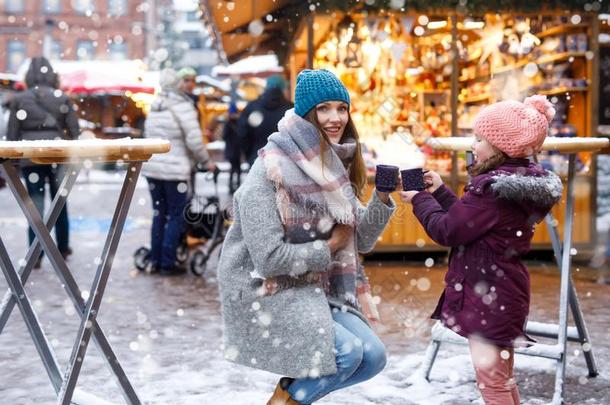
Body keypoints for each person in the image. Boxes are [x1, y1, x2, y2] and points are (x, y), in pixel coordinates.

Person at [218, 69, 397, 405]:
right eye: (324, 109)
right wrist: (329, 246)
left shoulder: (329, 164)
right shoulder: (270, 168)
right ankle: (288, 400)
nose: (336, 118)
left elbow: (361, 240)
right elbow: (268, 259)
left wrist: (383, 197)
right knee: (346, 352)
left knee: (372, 357)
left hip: (317, 283)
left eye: (342, 108)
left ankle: (291, 395)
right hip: (268, 287)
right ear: (306, 114)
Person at [400, 95, 563, 405]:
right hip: (502, 293)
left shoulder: (491, 191)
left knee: (493, 384)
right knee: (501, 379)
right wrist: (439, 192)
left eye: (480, 139)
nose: (474, 145)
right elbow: (469, 224)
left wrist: (420, 199)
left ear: (501, 148)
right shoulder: (507, 186)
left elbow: (448, 231)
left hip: (490, 298)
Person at [6, 57, 80, 268]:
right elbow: (74, 131)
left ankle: (35, 253)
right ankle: (63, 249)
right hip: (59, 155)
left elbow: (12, 134)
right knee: (60, 204)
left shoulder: (20, 99)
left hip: (31, 157)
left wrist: (15, 160)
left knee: (35, 207)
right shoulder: (62, 97)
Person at [141, 68, 215, 276]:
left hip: (154, 169)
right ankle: (168, 262)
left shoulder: (155, 106)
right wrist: (206, 161)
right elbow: (194, 141)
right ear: (177, 84)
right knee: (175, 215)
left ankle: (155, 259)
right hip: (175, 172)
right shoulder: (183, 107)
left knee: (159, 214)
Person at [237, 74, 293, 167]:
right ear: (283, 89)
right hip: (286, 164)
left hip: (257, 159)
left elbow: (242, 134)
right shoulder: (291, 109)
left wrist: (250, 155)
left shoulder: (252, 107)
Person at [222, 103, 242, 194]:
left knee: (235, 168)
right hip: (234, 149)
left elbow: (224, 136)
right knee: (236, 168)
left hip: (233, 149)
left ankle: (233, 185)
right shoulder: (237, 123)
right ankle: (234, 185)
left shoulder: (228, 123)